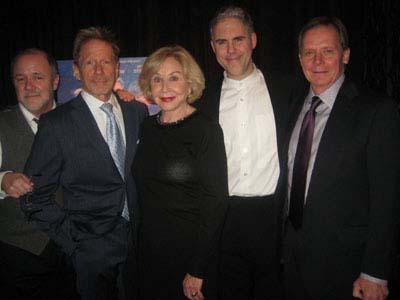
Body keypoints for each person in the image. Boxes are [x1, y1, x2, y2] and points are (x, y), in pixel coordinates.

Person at [21, 27, 148, 300]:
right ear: (77, 71)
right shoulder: (57, 123)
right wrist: (75, 243)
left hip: (139, 248)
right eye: (90, 62)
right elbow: (33, 197)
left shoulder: (137, 112)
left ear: (117, 67)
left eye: (106, 62)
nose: (99, 70)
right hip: (89, 256)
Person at [283, 16, 400, 300]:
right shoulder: (292, 104)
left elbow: (388, 199)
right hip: (290, 260)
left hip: (345, 267)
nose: (317, 61)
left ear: (345, 55)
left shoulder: (377, 111)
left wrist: (375, 272)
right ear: (300, 59)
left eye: (328, 51)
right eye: (309, 53)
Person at [196, 6, 292, 299]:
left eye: (238, 39)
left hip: (276, 221)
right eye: (222, 42)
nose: (231, 49)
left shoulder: (290, 89)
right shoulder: (201, 100)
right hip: (224, 222)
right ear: (213, 47)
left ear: (253, 40)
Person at [133, 45, 228, 300]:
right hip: (150, 254)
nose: (165, 88)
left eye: (174, 77)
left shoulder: (205, 130)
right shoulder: (146, 127)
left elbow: (216, 202)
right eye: (157, 79)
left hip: (190, 256)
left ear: (189, 83)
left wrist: (197, 269)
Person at [0, 48, 77, 299]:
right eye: (20, 78)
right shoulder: (1, 124)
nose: (29, 85)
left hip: (73, 251)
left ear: (55, 81)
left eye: (37, 77)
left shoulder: (77, 120)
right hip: (18, 256)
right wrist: (3, 179)